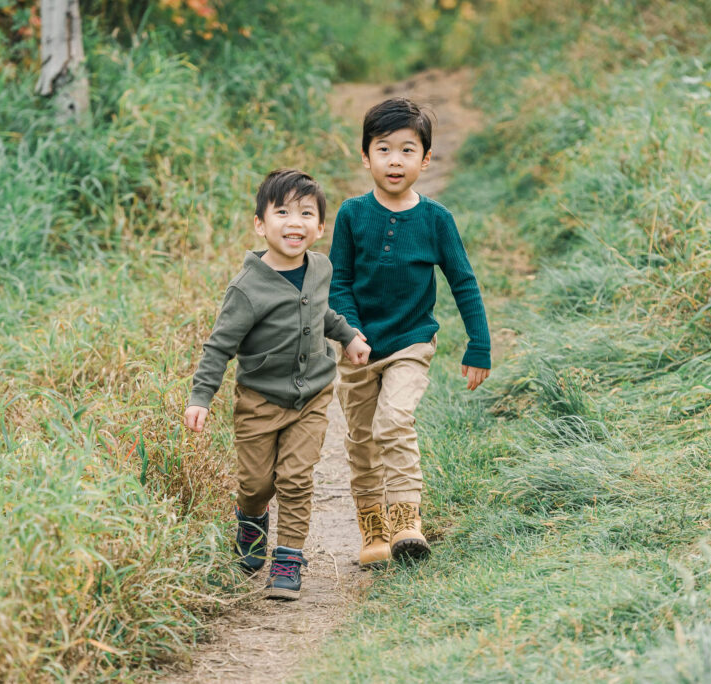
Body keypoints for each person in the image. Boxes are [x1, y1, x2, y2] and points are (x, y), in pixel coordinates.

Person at [184, 169, 371, 600]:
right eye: (282, 211)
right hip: (259, 400)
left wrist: (347, 336)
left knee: (295, 477)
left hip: (312, 395)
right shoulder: (247, 288)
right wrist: (201, 397)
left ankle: (288, 558)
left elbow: (320, 312)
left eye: (307, 213)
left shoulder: (320, 268)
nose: (295, 222)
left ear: (320, 227)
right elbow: (219, 347)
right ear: (260, 224)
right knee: (256, 484)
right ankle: (250, 520)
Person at [329, 97, 491, 567]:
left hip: (411, 343)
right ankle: (373, 531)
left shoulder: (435, 220)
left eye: (406, 150)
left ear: (425, 159)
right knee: (361, 441)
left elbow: (463, 280)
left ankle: (406, 522)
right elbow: (338, 282)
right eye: (383, 149)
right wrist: (350, 334)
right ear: (366, 156)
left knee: (393, 421)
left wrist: (478, 344)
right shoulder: (352, 215)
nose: (394, 160)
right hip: (358, 348)